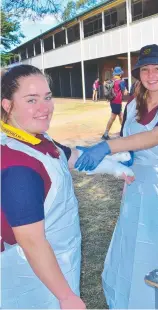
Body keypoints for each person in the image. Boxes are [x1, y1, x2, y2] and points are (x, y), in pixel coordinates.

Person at [75, 44, 158, 308]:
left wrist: (106, 146)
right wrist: (119, 161)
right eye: (145, 69)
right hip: (137, 184)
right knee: (136, 243)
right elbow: (129, 141)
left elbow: (156, 136)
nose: (151, 74)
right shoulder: (132, 104)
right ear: (138, 74)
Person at [0, 65, 86, 309]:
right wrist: (66, 297)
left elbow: (66, 156)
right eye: (31, 100)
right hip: (32, 275)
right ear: (7, 105)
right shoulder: (18, 165)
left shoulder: (36, 137)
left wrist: (113, 165)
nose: (44, 108)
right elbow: (31, 242)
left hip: (59, 258)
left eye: (47, 97)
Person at [101, 67, 127, 140]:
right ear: (120, 74)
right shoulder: (121, 82)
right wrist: (128, 92)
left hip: (112, 101)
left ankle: (123, 132)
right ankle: (106, 134)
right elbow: (124, 93)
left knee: (121, 116)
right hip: (117, 102)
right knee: (113, 117)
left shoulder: (112, 81)